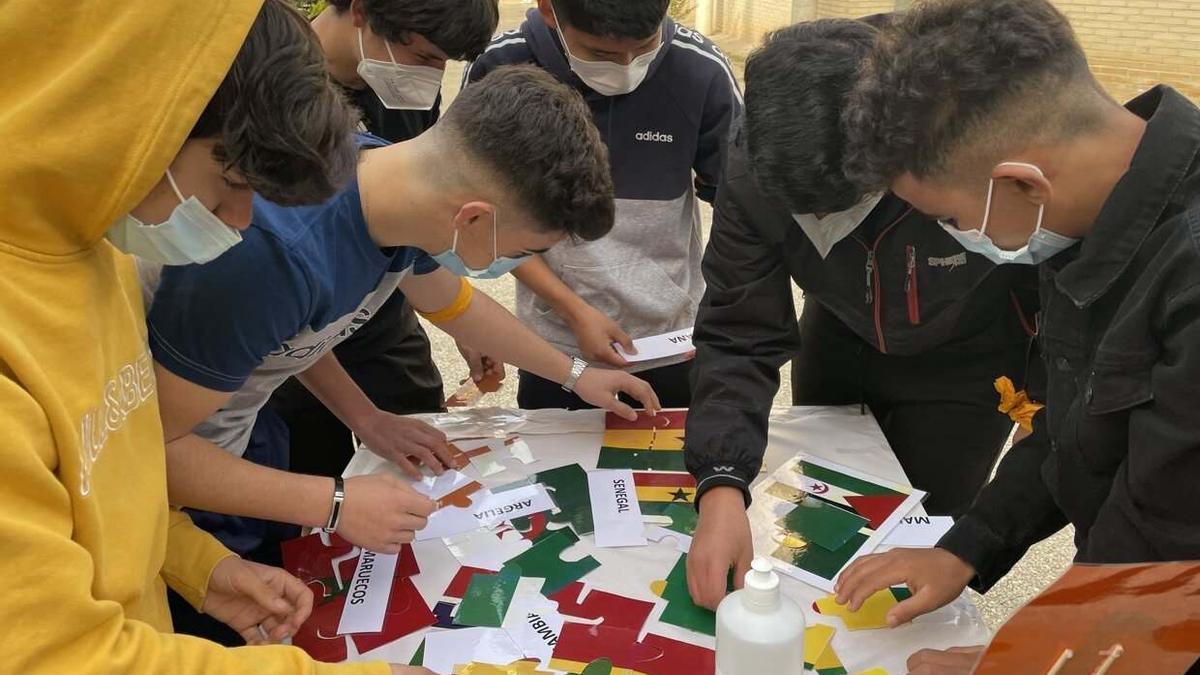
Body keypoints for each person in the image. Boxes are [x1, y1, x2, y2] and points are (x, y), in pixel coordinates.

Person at [0, 0, 426, 671]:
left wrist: (200, 565)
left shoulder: (95, 249)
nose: (236, 220)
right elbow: (59, 656)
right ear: (127, 117)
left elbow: (107, 475)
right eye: (228, 183)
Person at [148, 66, 659, 579]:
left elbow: (451, 305)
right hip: (175, 501)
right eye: (524, 250)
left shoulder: (387, 177)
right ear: (473, 219)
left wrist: (574, 374)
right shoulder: (272, 257)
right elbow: (150, 453)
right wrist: (335, 501)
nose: (513, 264)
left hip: (238, 441)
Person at [832, 0, 1200, 669]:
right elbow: (1069, 427)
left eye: (945, 218)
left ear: (1021, 186)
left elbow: (1168, 551)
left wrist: (1017, 663)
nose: (955, 240)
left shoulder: (1188, 273)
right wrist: (969, 543)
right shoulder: (1084, 215)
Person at [682, 18, 1040, 609]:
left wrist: (1037, 380)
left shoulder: (962, 135)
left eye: (844, 208)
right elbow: (739, 330)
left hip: (974, 362)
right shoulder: (756, 161)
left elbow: (1048, 292)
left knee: (923, 536)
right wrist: (721, 481)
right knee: (819, 526)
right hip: (840, 338)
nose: (828, 231)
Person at [464, 0, 743, 409]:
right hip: (557, 348)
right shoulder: (501, 66)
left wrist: (724, 318)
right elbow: (483, 221)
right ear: (548, 10)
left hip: (671, 342)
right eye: (601, 54)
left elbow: (740, 211)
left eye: (644, 48)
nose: (627, 66)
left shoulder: (701, 71)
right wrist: (574, 312)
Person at [271, 0, 505, 481]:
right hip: (295, 330)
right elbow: (286, 338)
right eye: (424, 57)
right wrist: (361, 419)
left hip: (383, 312)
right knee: (316, 469)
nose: (431, 75)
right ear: (361, 12)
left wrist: (462, 323)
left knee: (426, 450)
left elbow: (416, 218)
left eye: (444, 63)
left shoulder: (403, 83)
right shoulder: (273, 86)